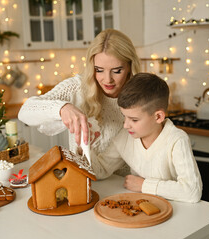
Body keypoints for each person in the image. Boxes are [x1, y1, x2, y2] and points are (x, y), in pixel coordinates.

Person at [18, 29, 141, 163]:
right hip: (84, 179)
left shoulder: (143, 93)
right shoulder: (77, 87)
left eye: (117, 71)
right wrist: (62, 108)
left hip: (127, 182)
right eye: (99, 70)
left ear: (130, 66)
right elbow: (25, 111)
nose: (107, 79)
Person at [89, 73, 202, 203]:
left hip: (175, 212)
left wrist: (144, 185)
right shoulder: (126, 137)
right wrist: (86, 147)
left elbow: (192, 191)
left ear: (158, 117)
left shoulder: (177, 140)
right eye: (124, 116)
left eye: (134, 120)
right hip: (141, 207)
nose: (126, 125)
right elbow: (101, 170)